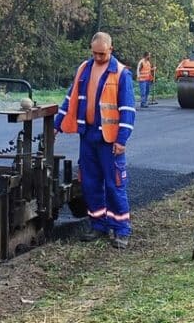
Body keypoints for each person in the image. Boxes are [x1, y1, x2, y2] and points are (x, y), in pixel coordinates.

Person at [55, 32, 136, 248]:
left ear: (111, 49)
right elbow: (70, 98)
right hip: (88, 135)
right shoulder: (84, 69)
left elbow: (128, 110)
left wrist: (122, 139)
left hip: (109, 140)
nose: (98, 57)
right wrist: (57, 124)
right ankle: (98, 224)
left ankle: (121, 229)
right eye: (95, 53)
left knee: (115, 184)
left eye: (102, 53)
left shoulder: (120, 74)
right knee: (90, 183)